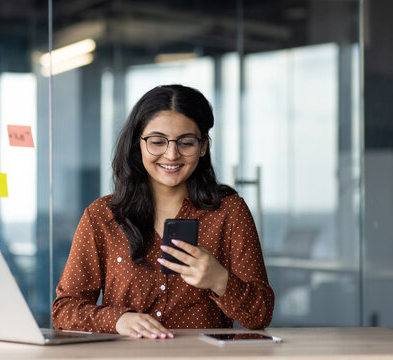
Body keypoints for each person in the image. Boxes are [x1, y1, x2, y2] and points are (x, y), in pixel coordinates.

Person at [52, 84, 274, 339]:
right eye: (157, 141)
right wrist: (118, 320)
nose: (171, 154)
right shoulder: (102, 216)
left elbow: (261, 315)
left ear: (202, 147)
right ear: (138, 145)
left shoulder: (229, 211)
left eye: (186, 142)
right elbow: (64, 311)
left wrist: (219, 280)